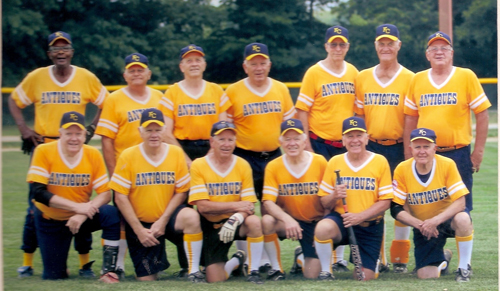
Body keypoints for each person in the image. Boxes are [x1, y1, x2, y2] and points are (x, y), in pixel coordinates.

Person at [9, 31, 109, 278]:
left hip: (77, 145)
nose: (61, 52)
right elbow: (14, 100)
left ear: (72, 52)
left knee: (83, 200)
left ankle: (85, 263)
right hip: (46, 146)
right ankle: (27, 261)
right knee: (36, 205)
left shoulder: (85, 77)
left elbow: (107, 101)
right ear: (49, 54)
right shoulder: (37, 77)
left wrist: (92, 127)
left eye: (65, 48)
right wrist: (24, 129)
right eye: (56, 49)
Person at [222, 42, 296, 270]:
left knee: (269, 207)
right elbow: (224, 123)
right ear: (245, 66)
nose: (258, 67)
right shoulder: (233, 90)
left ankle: (267, 260)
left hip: (273, 155)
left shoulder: (281, 89)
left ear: (269, 64)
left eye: (262, 63)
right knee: (243, 207)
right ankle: (244, 255)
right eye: (253, 63)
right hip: (243, 155)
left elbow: (290, 124)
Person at [111, 108, 205, 282]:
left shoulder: (175, 153)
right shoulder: (128, 156)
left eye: (157, 129)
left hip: (167, 218)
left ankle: (193, 270)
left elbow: (181, 191)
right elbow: (120, 197)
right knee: (147, 279)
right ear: (140, 131)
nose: (154, 134)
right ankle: (154, 262)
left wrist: (162, 220)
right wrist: (139, 230)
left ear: (164, 131)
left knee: (191, 216)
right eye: (149, 130)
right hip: (142, 224)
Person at [404, 31, 491, 214]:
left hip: (458, 152)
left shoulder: (466, 76)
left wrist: (478, 152)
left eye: (444, 48)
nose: (439, 52)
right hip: (426, 154)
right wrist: (408, 152)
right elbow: (411, 118)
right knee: (428, 208)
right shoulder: (417, 79)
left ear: (451, 53)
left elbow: (482, 114)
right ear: (427, 55)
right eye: (434, 48)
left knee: (461, 209)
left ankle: (462, 242)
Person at [28, 111, 120, 283]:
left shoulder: (92, 153)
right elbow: (38, 192)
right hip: (52, 219)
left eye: (78, 133)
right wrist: (77, 207)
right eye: (68, 133)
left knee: (111, 214)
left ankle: (109, 271)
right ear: (60, 133)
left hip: (81, 217)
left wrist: (81, 213)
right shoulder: (44, 151)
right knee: (54, 276)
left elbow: (106, 193)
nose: (74, 138)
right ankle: (58, 263)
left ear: (85, 134)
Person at [295, 26, 358, 271]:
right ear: (326, 47)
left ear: (348, 47)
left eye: (342, 44)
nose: (338, 48)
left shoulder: (353, 72)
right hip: (319, 143)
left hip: (344, 146)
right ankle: (314, 250)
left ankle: (339, 256)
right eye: (333, 44)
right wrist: (307, 146)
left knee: (344, 197)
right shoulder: (314, 72)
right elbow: (302, 110)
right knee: (322, 201)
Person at [95, 52, 163, 276]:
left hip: (154, 170)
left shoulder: (158, 97)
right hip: (126, 170)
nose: (136, 73)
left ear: (149, 73)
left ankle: (161, 264)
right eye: (132, 70)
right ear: (124, 74)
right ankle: (119, 265)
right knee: (123, 219)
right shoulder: (114, 99)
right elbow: (106, 139)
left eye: (140, 69)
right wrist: (114, 173)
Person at [354, 24, 415, 273]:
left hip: (400, 148)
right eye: (382, 42)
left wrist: (409, 153)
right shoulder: (363, 77)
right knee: (373, 202)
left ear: (399, 45)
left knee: (403, 203)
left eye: (391, 42)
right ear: (376, 45)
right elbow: (358, 116)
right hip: (373, 147)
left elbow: (413, 118)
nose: (386, 47)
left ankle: (400, 257)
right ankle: (377, 257)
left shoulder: (411, 77)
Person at [314, 116, 393, 281]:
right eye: (350, 136)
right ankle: (325, 271)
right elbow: (324, 201)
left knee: (363, 277)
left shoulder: (379, 161)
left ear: (367, 138)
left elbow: (385, 201)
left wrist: (360, 217)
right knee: (323, 228)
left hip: (369, 225)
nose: (354, 140)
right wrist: (334, 195)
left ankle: (374, 260)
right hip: (343, 221)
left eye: (359, 135)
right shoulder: (335, 162)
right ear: (343, 140)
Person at [391, 128, 473, 282]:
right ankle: (444, 259)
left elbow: (461, 202)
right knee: (426, 275)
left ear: (435, 148)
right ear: (411, 149)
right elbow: (396, 209)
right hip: (423, 225)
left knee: (463, 218)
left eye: (426, 146)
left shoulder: (447, 164)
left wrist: (435, 221)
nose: (422, 151)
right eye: (417, 147)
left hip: (446, 219)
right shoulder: (402, 169)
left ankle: (464, 267)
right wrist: (421, 224)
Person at [189, 121, 265, 284]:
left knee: (254, 222)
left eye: (230, 140)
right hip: (211, 224)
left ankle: (254, 271)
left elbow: (249, 205)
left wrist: (236, 218)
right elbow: (202, 206)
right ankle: (235, 262)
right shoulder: (199, 165)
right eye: (221, 139)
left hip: (235, 222)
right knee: (214, 279)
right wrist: (236, 206)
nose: (226, 144)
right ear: (212, 142)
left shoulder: (242, 164)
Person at [261, 119, 327, 280]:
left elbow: (328, 200)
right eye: (287, 139)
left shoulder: (319, 161)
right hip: (288, 223)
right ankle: (276, 269)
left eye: (296, 139)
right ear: (280, 142)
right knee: (267, 221)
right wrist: (287, 219)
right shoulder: (274, 166)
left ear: (305, 141)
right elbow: (268, 201)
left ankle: (300, 257)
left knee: (312, 275)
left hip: (314, 223)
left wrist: (322, 228)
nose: (292, 143)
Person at [159, 44, 228, 168]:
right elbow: (166, 134)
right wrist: (186, 161)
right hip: (182, 148)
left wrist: (210, 157)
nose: (194, 64)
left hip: (212, 148)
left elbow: (222, 130)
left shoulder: (216, 91)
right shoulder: (172, 93)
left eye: (198, 60)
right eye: (189, 61)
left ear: (204, 65)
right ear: (181, 67)